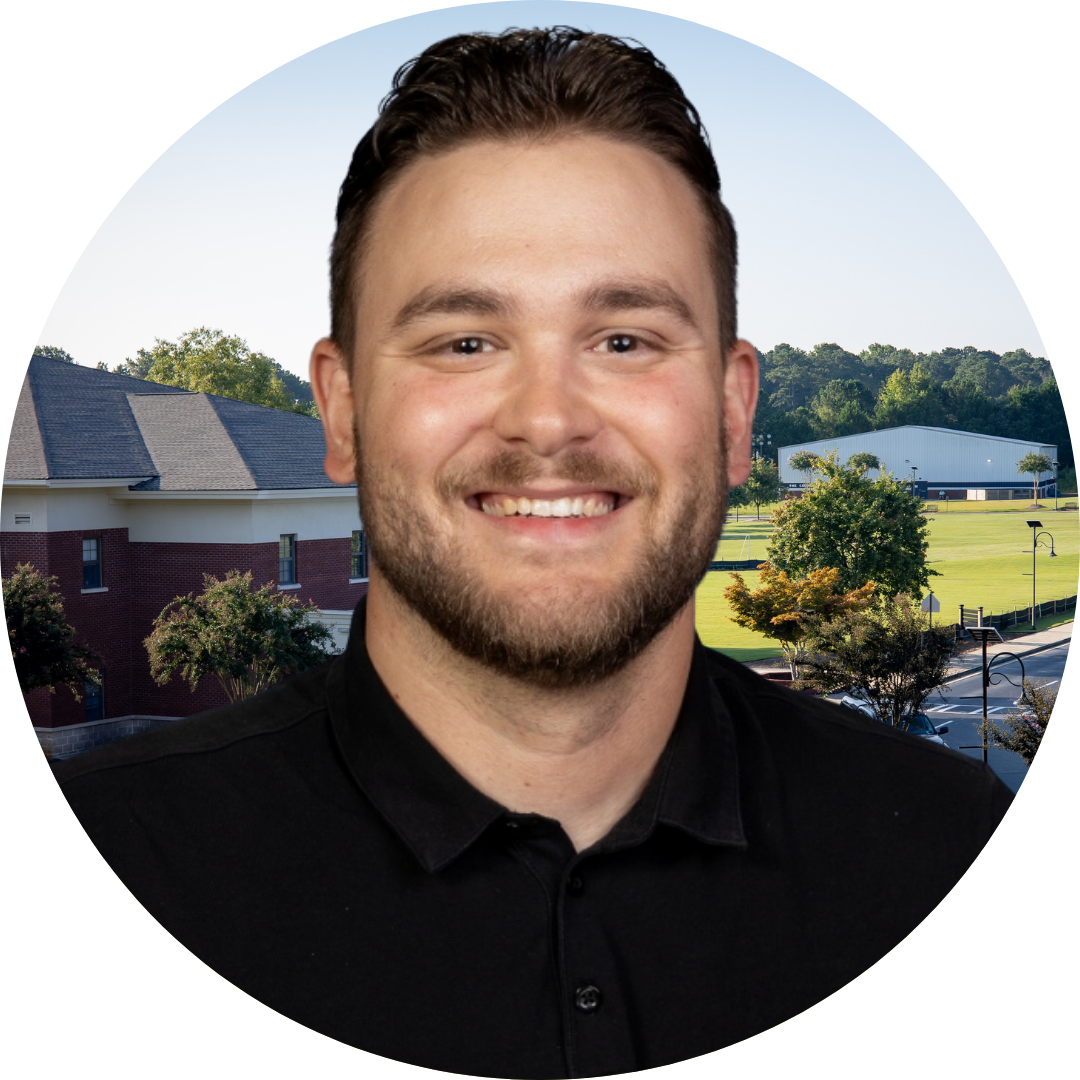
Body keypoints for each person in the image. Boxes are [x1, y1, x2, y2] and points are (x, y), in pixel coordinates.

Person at [51, 29, 1012, 1075]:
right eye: (466, 342)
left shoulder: (950, 850)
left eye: (625, 340)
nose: (548, 422)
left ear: (735, 414)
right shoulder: (122, 855)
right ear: (341, 409)